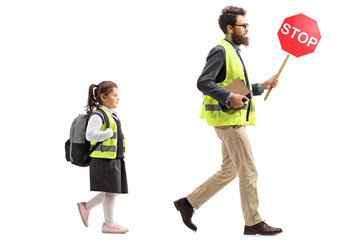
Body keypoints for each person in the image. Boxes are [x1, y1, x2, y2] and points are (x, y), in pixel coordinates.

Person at [174, 6, 282, 236]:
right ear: (230, 28)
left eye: (246, 25)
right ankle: (253, 221)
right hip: (229, 123)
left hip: (228, 120)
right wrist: (228, 97)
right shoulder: (221, 51)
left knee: (230, 170)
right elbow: (203, 82)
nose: (246, 30)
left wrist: (262, 86)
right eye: (243, 26)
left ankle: (187, 203)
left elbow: (236, 87)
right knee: (249, 170)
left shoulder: (233, 51)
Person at [77, 81, 129, 234]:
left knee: (113, 191)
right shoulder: (99, 115)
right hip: (103, 159)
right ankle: (108, 224)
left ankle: (86, 207)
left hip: (113, 158)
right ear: (103, 97)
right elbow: (90, 135)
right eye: (114, 95)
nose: (118, 98)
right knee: (111, 191)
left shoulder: (110, 114)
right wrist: (106, 134)